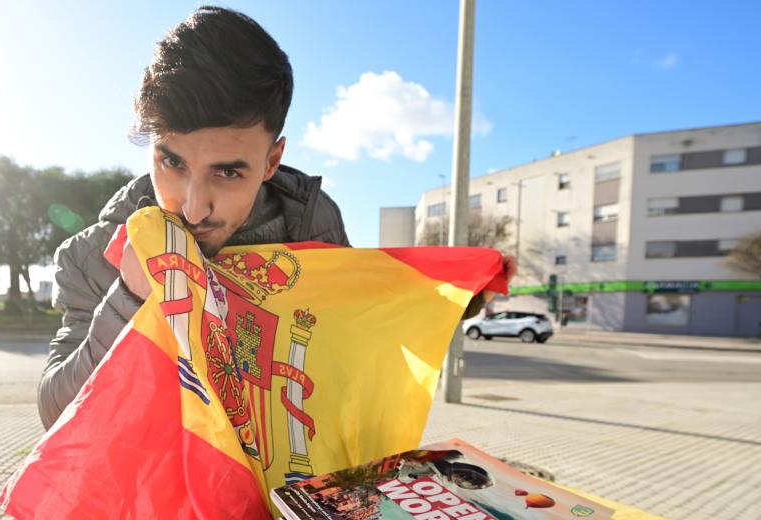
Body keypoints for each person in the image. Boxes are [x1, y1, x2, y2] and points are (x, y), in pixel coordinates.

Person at [38, 6, 513, 429]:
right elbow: (56, 416)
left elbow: (357, 337)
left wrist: (455, 296)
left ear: (271, 161)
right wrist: (127, 299)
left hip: (283, 510)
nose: (192, 206)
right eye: (172, 162)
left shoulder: (311, 226)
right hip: (161, 516)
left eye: (227, 172)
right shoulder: (92, 255)